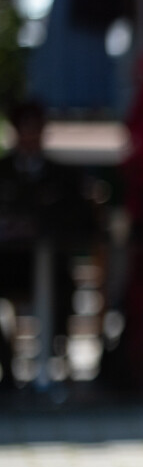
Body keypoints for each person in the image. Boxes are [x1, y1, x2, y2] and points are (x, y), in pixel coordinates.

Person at [0, 100, 100, 389]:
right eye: (24, 129)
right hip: (8, 264)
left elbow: (84, 222)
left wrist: (42, 225)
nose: (30, 136)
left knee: (63, 289)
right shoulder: (3, 171)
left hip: (50, 265)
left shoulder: (64, 176)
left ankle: (52, 361)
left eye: (36, 129)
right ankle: (7, 365)